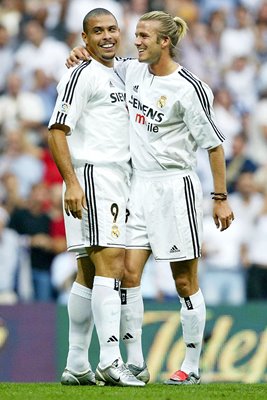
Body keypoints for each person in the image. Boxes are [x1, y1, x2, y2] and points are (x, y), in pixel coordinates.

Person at [67, 9, 234, 386]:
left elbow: (214, 146)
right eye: (136, 34)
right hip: (136, 186)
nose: (135, 41)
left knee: (184, 281)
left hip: (175, 188)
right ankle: (136, 361)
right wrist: (80, 52)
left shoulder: (190, 88)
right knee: (127, 273)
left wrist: (220, 196)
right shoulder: (132, 70)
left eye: (144, 36)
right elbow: (101, 59)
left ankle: (191, 366)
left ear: (165, 42)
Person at [48, 8, 144, 387]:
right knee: (112, 264)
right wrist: (72, 182)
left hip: (115, 177)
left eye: (112, 29)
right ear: (84, 37)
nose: (107, 36)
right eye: (97, 31)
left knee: (88, 271)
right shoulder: (80, 74)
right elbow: (57, 130)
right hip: (93, 176)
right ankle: (109, 359)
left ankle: (76, 364)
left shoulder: (118, 69)